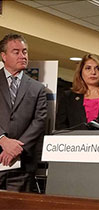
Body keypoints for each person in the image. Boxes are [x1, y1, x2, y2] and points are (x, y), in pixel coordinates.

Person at [0, 34, 47, 192]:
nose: (22, 56)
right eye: (16, 52)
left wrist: (16, 148)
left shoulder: (38, 88)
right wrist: (2, 139)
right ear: (4, 56)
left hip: (23, 165)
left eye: (25, 52)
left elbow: (39, 121)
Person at [55, 54, 99, 130]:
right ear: (81, 72)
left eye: (98, 69)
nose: (93, 72)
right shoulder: (68, 97)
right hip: (75, 141)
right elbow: (61, 126)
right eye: (88, 68)